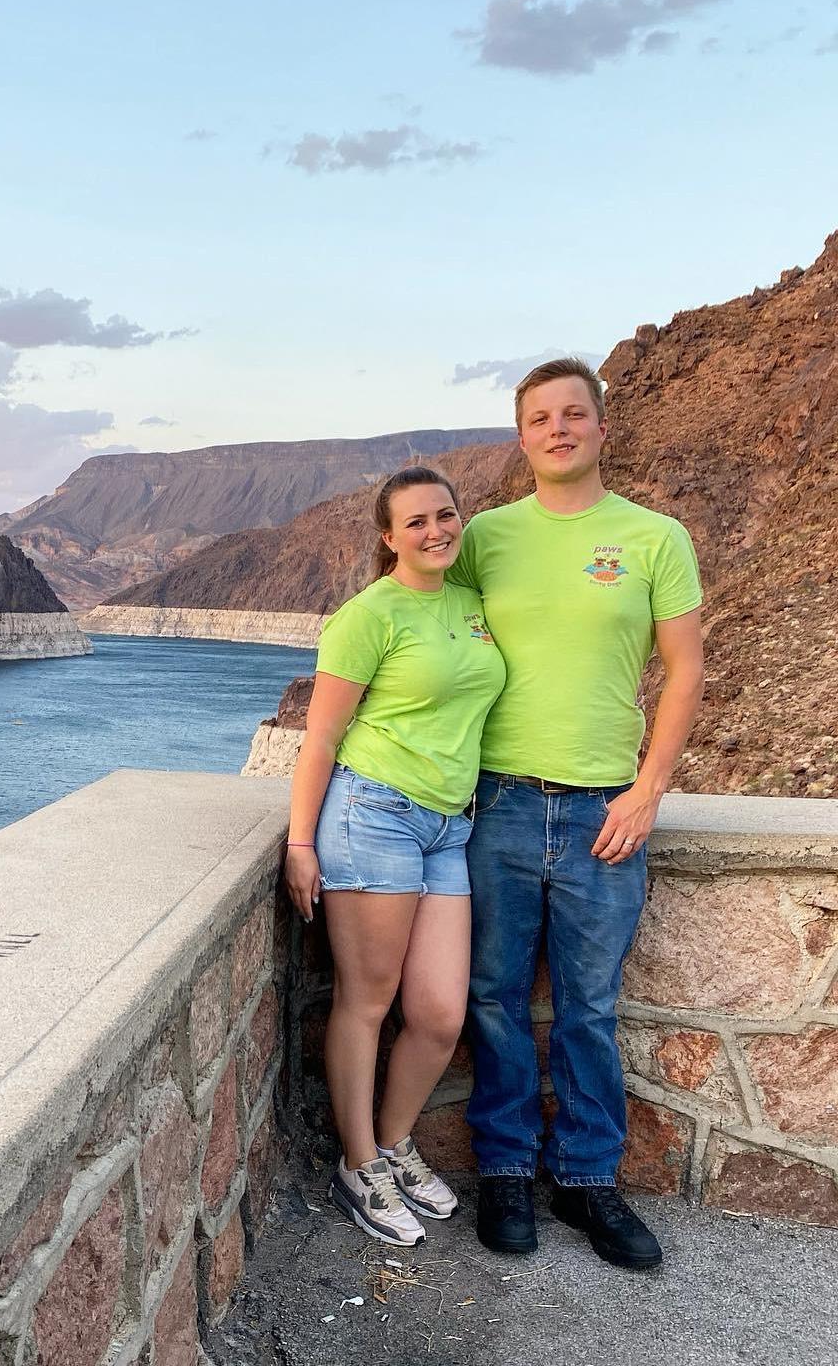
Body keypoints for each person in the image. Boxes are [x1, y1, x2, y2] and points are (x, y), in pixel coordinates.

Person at [447, 357, 704, 1270]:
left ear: (601, 426)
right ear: (522, 437)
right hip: (498, 801)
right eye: (539, 418)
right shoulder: (484, 537)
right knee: (496, 998)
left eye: (573, 414)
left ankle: (591, 1179)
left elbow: (685, 671)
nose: (557, 429)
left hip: (606, 811)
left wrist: (650, 787)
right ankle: (508, 1168)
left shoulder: (652, 537)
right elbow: (428, 633)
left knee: (590, 1007)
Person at [284, 465, 506, 1247]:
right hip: (373, 816)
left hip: (449, 825)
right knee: (367, 1001)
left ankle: (393, 1140)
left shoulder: (473, 607)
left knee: (441, 1014)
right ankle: (358, 1166)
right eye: (415, 522)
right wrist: (301, 840)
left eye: (445, 516)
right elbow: (322, 737)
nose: (436, 531)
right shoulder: (367, 616)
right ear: (389, 537)